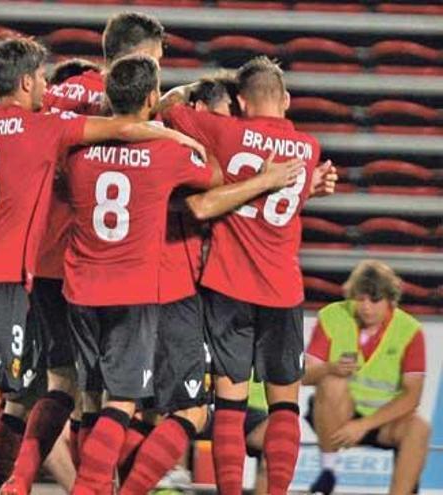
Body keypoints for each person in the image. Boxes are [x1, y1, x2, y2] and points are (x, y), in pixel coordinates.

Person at [0, 36, 205, 495]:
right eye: (38, 77)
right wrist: (172, 132)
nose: (43, 84)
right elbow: (121, 128)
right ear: (24, 81)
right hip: (7, 278)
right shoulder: (42, 127)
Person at [60, 55, 304, 495]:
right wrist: (268, 179)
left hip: (93, 287)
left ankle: (99, 486)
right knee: (186, 411)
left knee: (106, 405)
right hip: (168, 292)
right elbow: (205, 199)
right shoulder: (175, 153)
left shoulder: (84, 152)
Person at [0, 13, 169, 495]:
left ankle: (22, 481)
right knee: (108, 393)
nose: (160, 65)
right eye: (156, 56)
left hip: (45, 260)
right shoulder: (136, 103)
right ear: (140, 56)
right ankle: (90, 486)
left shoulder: (57, 94)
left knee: (66, 386)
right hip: (102, 265)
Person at [158, 56, 327, 495]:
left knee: (229, 407)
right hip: (283, 289)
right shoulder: (309, 149)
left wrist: (192, 89)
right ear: (286, 99)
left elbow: (168, 107)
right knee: (285, 406)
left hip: (228, 286)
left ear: (239, 100)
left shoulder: (226, 132)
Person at [303, 260, 429, 495]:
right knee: (332, 381)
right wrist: (330, 367)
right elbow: (304, 375)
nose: (366, 307)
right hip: (336, 414)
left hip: (383, 421)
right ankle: (327, 473)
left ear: (390, 300)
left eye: (374, 300)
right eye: (360, 299)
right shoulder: (332, 316)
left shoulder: (409, 330)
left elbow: (413, 396)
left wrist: (363, 425)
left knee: (420, 428)